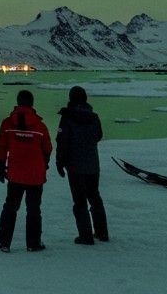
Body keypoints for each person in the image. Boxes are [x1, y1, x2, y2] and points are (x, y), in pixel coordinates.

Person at [0, 89, 52, 253]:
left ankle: (3, 241)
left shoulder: (7, 124)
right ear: (32, 103)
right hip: (35, 175)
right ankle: (33, 243)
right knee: (33, 209)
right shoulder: (40, 125)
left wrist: (0, 165)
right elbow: (47, 148)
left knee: (11, 207)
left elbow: (1, 146)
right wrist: (44, 163)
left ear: (18, 102)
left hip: (15, 174)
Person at [55, 86, 108, 244]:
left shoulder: (67, 117)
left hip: (75, 166)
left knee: (79, 201)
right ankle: (102, 232)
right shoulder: (94, 117)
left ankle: (86, 235)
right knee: (94, 197)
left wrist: (60, 162)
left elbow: (62, 142)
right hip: (92, 165)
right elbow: (98, 136)